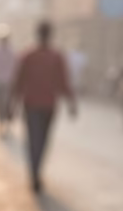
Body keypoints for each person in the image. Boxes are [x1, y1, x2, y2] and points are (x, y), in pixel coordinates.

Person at [12, 20, 78, 193]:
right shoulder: (55, 57)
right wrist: (71, 103)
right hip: (47, 105)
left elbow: (17, 83)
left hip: (34, 104)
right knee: (41, 141)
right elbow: (64, 83)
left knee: (34, 140)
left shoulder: (28, 55)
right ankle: (36, 172)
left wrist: (12, 104)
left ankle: (34, 172)